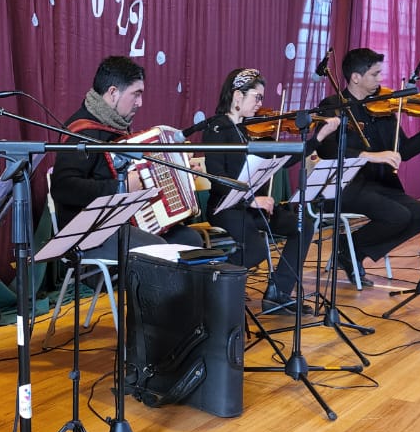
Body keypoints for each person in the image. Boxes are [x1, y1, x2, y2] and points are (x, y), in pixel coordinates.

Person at [316, 48, 420, 287]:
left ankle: (352, 249)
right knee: (398, 216)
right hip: (347, 185)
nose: (380, 80)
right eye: (375, 74)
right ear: (356, 77)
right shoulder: (333, 105)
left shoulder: (384, 108)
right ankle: (350, 251)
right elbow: (326, 149)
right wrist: (369, 156)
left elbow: (402, 151)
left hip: (381, 184)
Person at [200, 68, 340, 314]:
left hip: (253, 207)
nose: (260, 104)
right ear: (237, 96)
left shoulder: (248, 130)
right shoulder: (217, 129)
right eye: (257, 97)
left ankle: (279, 293)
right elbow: (216, 177)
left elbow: (284, 161)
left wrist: (318, 138)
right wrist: (251, 198)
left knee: (303, 223)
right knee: (254, 250)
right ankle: (208, 286)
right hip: (226, 207)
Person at [50, 55, 206, 259]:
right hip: (89, 233)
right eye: (136, 94)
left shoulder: (116, 128)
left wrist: (181, 173)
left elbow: (142, 180)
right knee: (157, 252)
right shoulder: (81, 132)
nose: (140, 103)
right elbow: (63, 188)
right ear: (113, 93)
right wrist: (119, 188)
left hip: (123, 222)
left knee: (191, 241)